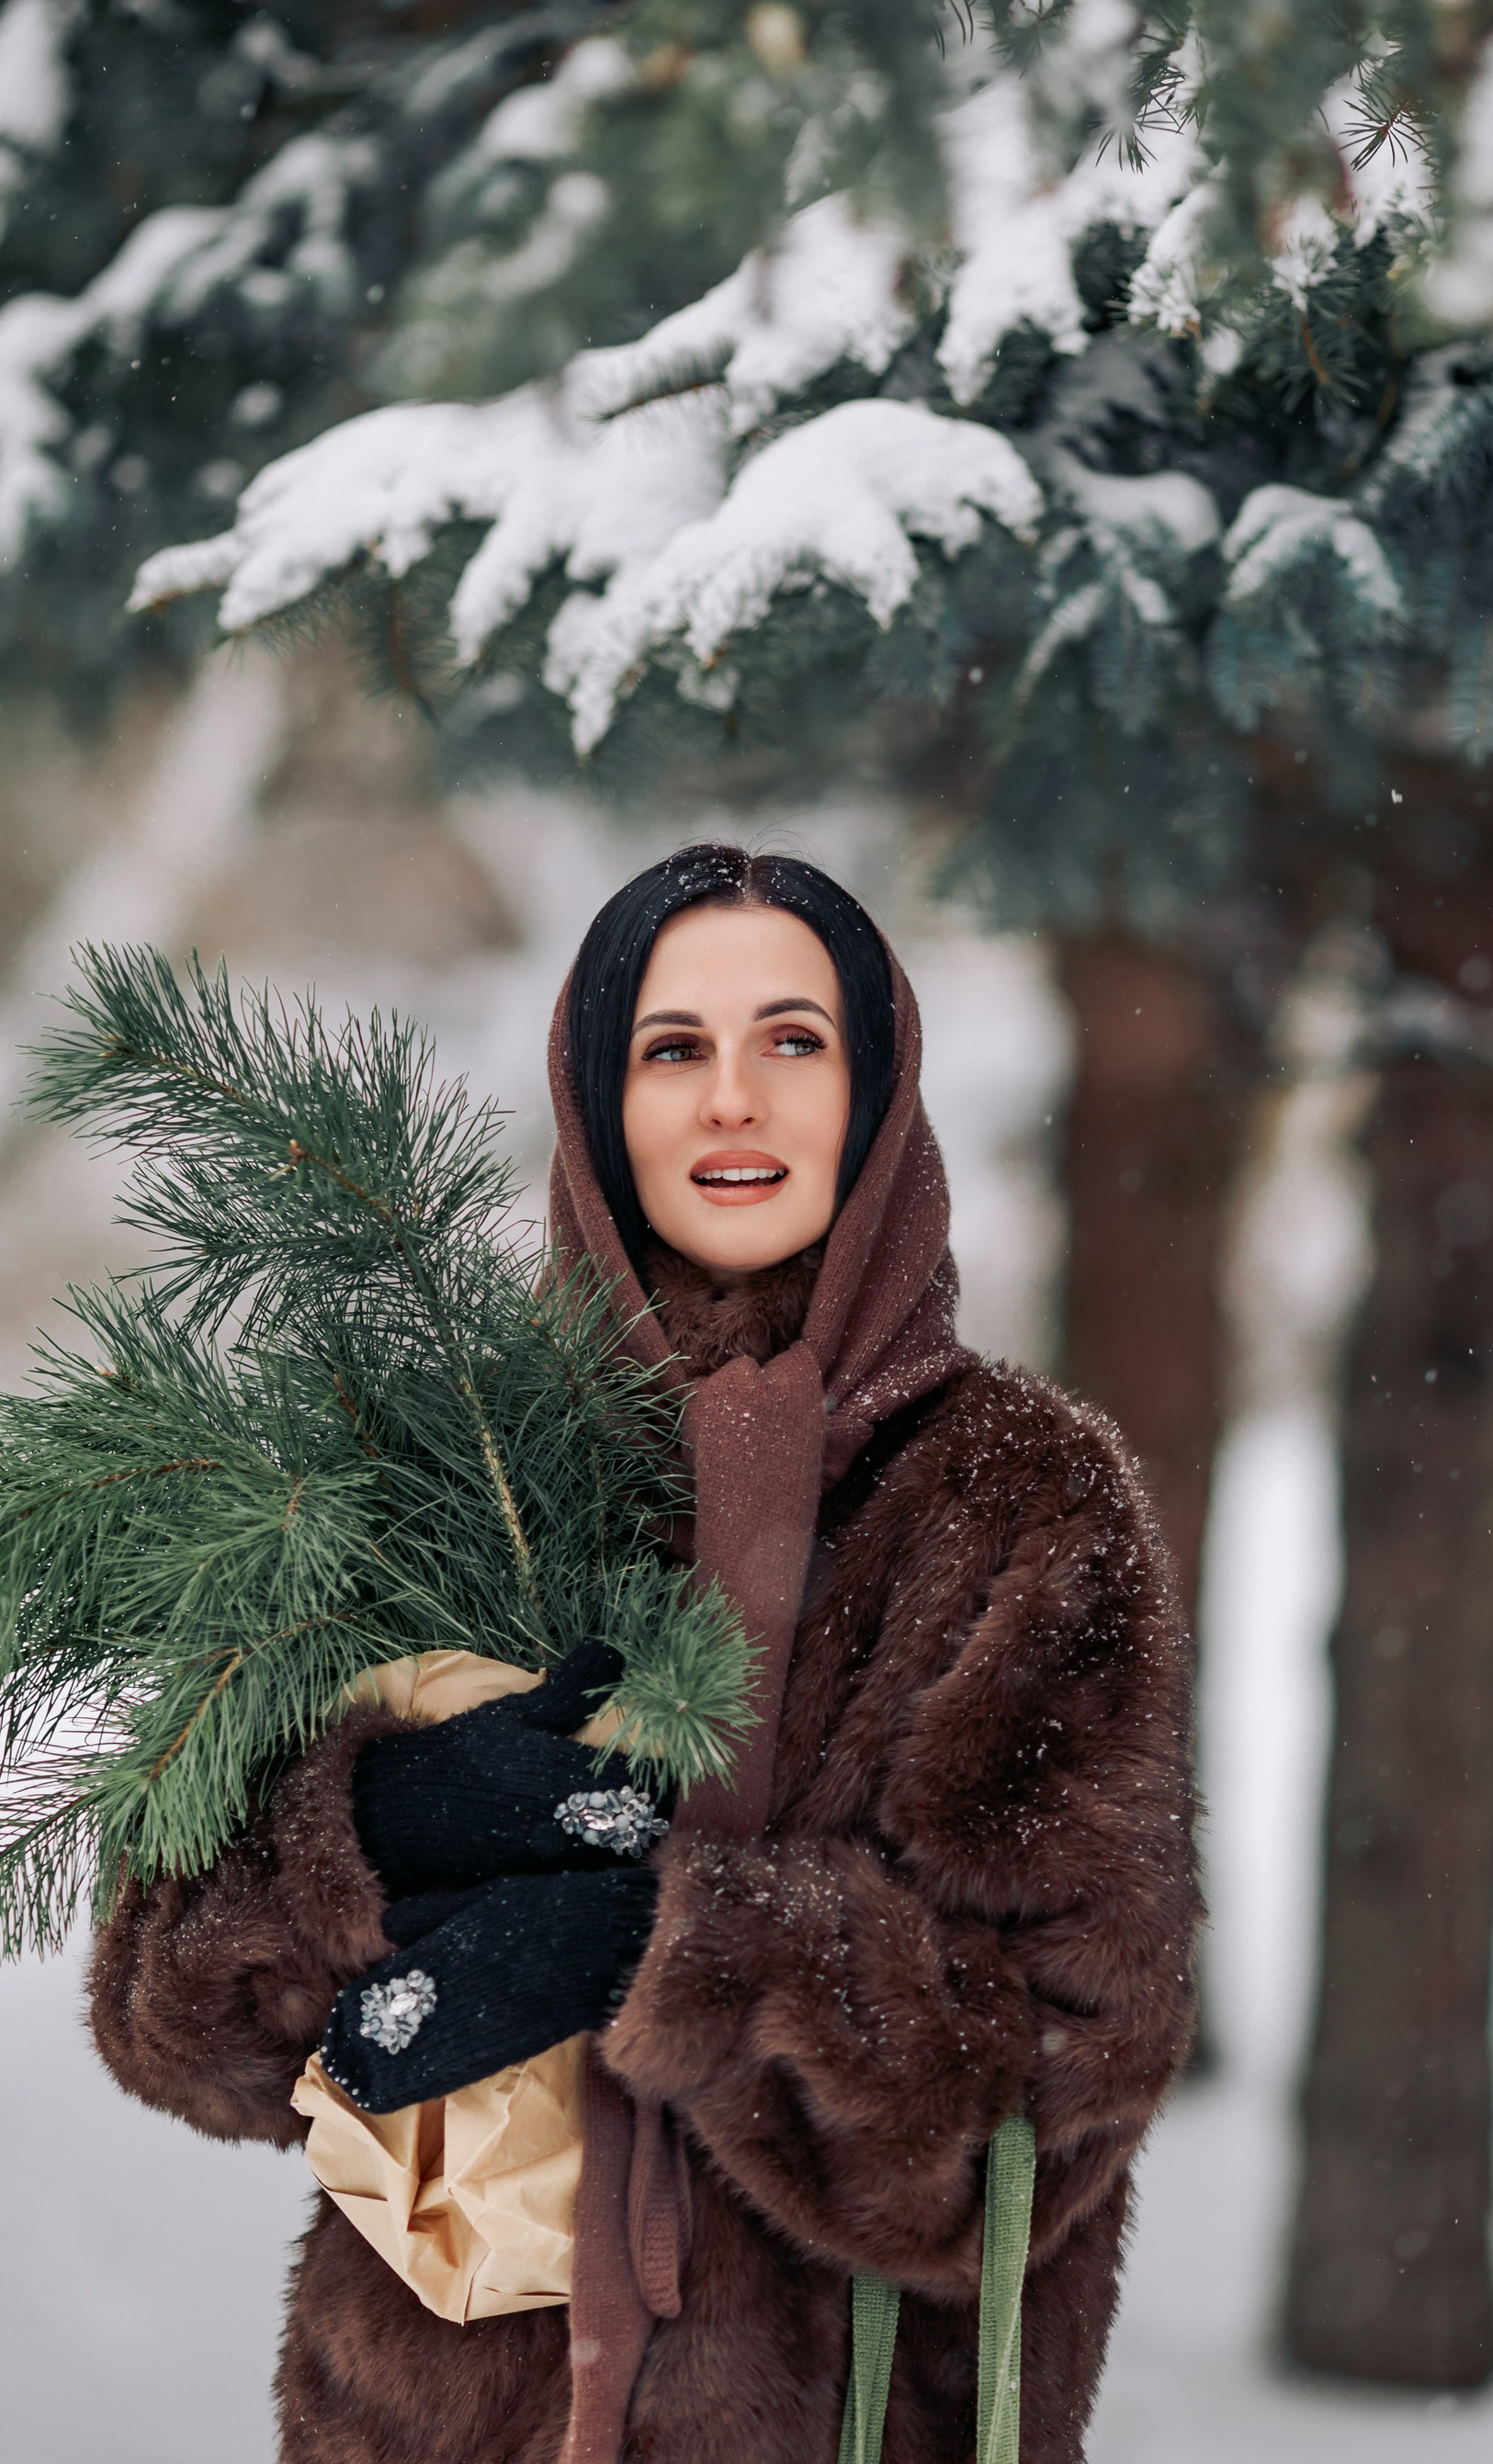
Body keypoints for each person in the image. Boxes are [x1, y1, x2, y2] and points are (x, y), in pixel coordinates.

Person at [90, 844, 1199, 2464]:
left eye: (793, 1040)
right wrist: (385, 1823)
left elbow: (1055, 2090)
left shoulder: (1024, 1499)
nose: (732, 1098)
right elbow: (165, 2006)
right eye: (673, 1048)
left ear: (877, 1093)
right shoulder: (445, 1466)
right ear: (600, 1104)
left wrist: (673, 1949)